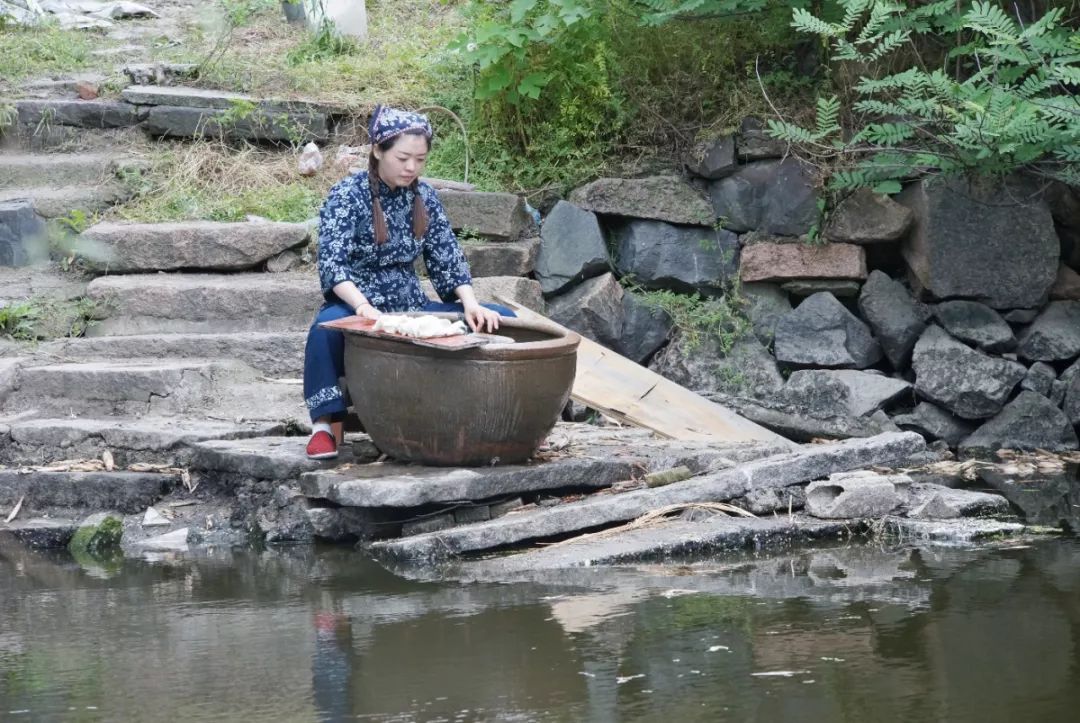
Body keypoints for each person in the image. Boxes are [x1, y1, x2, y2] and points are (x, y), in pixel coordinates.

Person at [303, 105, 514, 460]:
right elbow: (334, 265)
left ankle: (484, 412)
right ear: (377, 150)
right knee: (325, 328)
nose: (411, 167)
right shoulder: (347, 195)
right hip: (359, 304)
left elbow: (446, 256)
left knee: (498, 316)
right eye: (402, 157)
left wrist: (471, 302)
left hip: (411, 307)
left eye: (420, 159)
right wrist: (363, 307)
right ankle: (324, 425)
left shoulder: (424, 196)